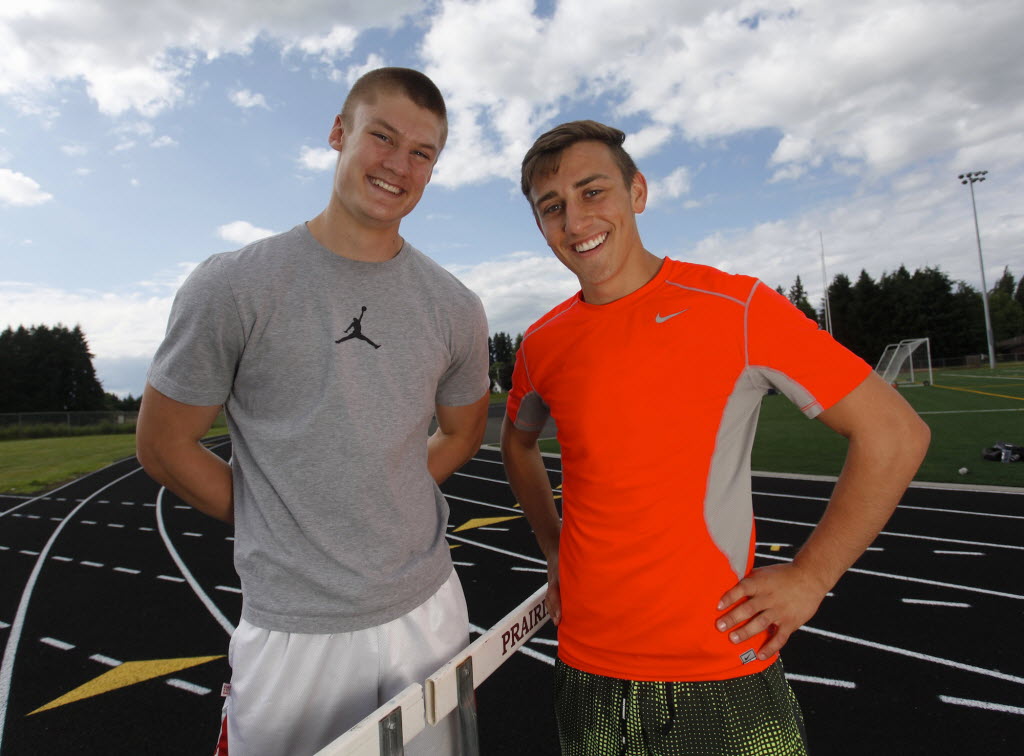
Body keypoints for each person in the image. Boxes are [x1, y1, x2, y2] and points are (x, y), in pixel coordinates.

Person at [501, 120, 930, 755]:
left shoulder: (738, 309)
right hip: (589, 663)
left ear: (637, 191)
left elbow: (896, 434)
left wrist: (811, 577)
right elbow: (517, 444)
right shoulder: (541, 343)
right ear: (540, 225)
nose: (576, 220)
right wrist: (553, 546)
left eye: (594, 192)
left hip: (721, 666)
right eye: (552, 207)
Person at [136, 68, 490, 756]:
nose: (399, 165)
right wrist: (287, 521)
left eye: (422, 153)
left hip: (429, 609)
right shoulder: (234, 284)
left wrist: (385, 497)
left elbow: (462, 430)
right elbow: (164, 446)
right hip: (294, 629)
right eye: (382, 137)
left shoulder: (455, 306)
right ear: (338, 133)